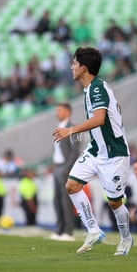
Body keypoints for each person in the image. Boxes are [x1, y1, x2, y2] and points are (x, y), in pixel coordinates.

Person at [53, 47, 132, 255]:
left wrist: (69, 130)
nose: (71, 67)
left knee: (115, 202)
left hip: (114, 153)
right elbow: (114, 108)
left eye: (74, 63)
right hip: (96, 149)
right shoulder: (93, 88)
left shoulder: (96, 87)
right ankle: (94, 231)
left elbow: (99, 119)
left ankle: (126, 239)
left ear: (84, 68)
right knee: (71, 186)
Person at [51, 103, 80, 241]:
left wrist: (67, 168)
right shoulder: (58, 127)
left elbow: (75, 151)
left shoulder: (72, 128)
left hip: (64, 167)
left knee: (65, 200)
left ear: (67, 111)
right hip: (56, 166)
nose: (57, 113)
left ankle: (68, 231)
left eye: (59, 110)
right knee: (56, 200)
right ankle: (59, 230)